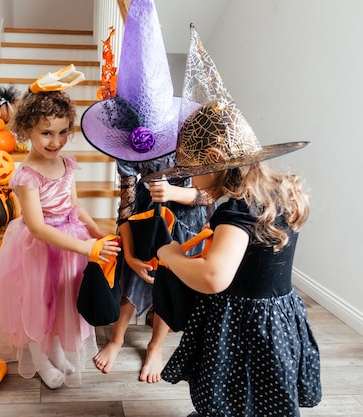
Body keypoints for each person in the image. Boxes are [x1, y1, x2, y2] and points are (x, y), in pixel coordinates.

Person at [146, 24, 322, 416]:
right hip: (277, 314)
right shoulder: (278, 191)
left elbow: (213, 277)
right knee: (264, 389)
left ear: (212, 158)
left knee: (232, 384)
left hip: (243, 320)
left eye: (191, 169)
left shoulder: (236, 209)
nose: (188, 178)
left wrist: (171, 255)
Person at [80, 0, 210, 383]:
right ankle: (118, 339)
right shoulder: (127, 153)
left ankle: (156, 345)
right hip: (142, 220)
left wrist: (173, 193)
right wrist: (132, 254)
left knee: (169, 284)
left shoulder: (191, 145)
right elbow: (124, 203)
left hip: (186, 226)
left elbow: (207, 197)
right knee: (132, 280)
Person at [0, 77, 121, 390]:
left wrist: (96, 231)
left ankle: (57, 349)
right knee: (38, 304)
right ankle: (39, 358)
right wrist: (85, 248)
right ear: (26, 130)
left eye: (62, 133)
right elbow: (36, 226)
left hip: (70, 241)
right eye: (46, 133)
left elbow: (74, 206)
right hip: (39, 246)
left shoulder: (67, 164)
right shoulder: (26, 176)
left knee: (64, 300)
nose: (55, 141)